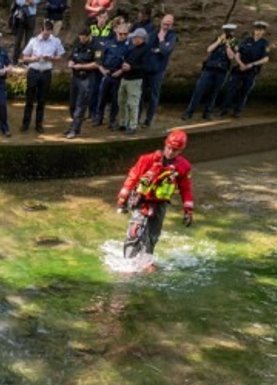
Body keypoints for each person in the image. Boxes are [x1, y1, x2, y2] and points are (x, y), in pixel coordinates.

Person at [116, 129, 194, 262]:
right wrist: (123, 197)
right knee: (135, 231)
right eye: (169, 148)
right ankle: (128, 262)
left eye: (175, 150)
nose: (171, 152)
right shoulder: (147, 159)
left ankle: (146, 261)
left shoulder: (183, 167)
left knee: (153, 235)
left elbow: (185, 189)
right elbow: (133, 176)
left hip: (160, 202)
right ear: (165, 144)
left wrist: (188, 210)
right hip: (141, 199)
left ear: (181, 150)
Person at [182, 23, 237, 120]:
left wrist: (227, 46)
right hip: (209, 69)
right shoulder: (217, 38)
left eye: (230, 32)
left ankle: (207, 112)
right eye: (227, 31)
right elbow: (209, 49)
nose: (229, 33)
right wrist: (219, 41)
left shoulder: (234, 42)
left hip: (222, 71)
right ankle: (189, 112)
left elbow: (231, 57)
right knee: (199, 90)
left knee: (214, 92)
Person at [20, 19, 65, 134]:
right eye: (45, 33)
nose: (46, 35)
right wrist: (33, 59)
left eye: (48, 33)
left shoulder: (56, 41)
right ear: (41, 30)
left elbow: (60, 56)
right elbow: (24, 57)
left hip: (46, 72)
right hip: (33, 71)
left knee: (42, 100)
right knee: (29, 99)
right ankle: (25, 123)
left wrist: (51, 58)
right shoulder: (33, 41)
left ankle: (39, 124)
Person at [218, 20, 270, 118]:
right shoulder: (246, 40)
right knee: (231, 89)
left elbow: (266, 58)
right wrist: (241, 64)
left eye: (261, 30)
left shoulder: (265, 43)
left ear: (264, 32)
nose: (258, 32)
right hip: (239, 69)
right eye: (257, 29)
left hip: (252, 71)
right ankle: (224, 109)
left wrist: (252, 64)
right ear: (254, 30)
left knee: (244, 92)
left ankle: (238, 111)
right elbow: (238, 53)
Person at [141, 13, 177, 127]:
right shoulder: (153, 32)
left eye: (168, 24)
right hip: (146, 69)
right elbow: (146, 47)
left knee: (154, 96)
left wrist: (161, 39)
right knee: (140, 94)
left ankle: (148, 120)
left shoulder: (172, 36)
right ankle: (136, 118)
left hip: (158, 71)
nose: (166, 25)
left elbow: (165, 51)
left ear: (171, 24)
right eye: (164, 23)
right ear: (161, 22)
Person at [115, 27, 152, 134]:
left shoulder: (146, 50)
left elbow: (146, 67)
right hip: (125, 78)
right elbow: (126, 60)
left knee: (133, 103)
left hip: (135, 80)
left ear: (141, 38)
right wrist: (123, 66)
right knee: (121, 101)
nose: (133, 39)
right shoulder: (132, 48)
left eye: (135, 37)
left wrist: (131, 67)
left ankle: (132, 125)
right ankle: (123, 123)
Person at [65, 27, 98, 138]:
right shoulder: (77, 44)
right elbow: (71, 57)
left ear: (89, 36)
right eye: (80, 38)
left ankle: (74, 129)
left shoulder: (96, 46)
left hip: (86, 78)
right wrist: (70, 63)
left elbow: (96, 64)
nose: (82, 40)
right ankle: (73, 126)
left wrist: (81, 66)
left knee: (80, 105)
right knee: (72, 105)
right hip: (75, 77)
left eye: (84, 38)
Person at [92, 24, 127, 128]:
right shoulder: (107, 43)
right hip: (106, 73)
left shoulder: (128, 46)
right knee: (102, 97)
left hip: (118, 75)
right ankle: (99, 118)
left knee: (115, 99)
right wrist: (102, 69)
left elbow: (129, 61)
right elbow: (98, 57)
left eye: (125, 34)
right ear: (116, 32)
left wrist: (120, 71)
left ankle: (112, 120)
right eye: (121, 33)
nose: (123, 36)